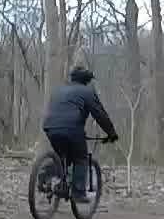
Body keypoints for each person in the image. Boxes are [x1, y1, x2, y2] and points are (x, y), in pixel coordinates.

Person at [41, 65, 118, 202]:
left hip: (50, 127)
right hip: (72, 128)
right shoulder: (87, 92)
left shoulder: (59, 90)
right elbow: (100, 114)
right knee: (81, 158)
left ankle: (45, 177)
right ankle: (78, 193)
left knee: (61, 156)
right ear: (87, 80)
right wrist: (111, 133)